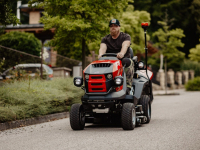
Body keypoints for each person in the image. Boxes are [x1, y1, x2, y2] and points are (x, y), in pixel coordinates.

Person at [98, 19, 134, 94]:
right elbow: (102, 48)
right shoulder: (105, 39)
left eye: (115, 26)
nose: (113, 27)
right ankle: (101, 86)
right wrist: (100, 54)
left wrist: (121, 53)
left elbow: (125, 45)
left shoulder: (125, 36)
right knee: (99, 64)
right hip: (111, 61)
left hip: (123, 60)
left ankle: (128, 86)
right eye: (111, 26)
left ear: (119, 27)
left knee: (127, 62)